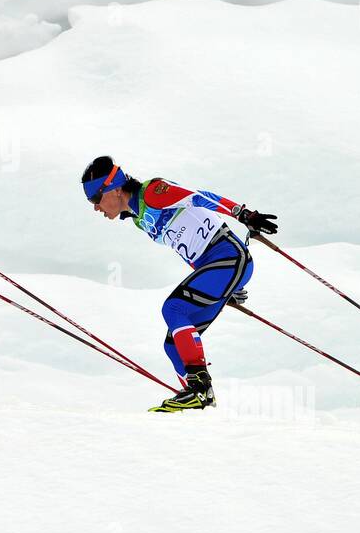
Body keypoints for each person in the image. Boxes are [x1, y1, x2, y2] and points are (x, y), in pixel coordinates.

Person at [80, 156, 279, 412]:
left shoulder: (152, 193)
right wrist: (221, 289)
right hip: (216, 268)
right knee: (173, 345)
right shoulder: (140, 217)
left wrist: (242, 213)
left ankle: (200, 389)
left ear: (115, 188)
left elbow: (198, 196)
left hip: (228, 256)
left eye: (95, 199)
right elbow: (189, 248)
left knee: (174, 309)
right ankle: (198, 407)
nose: (96, 208)